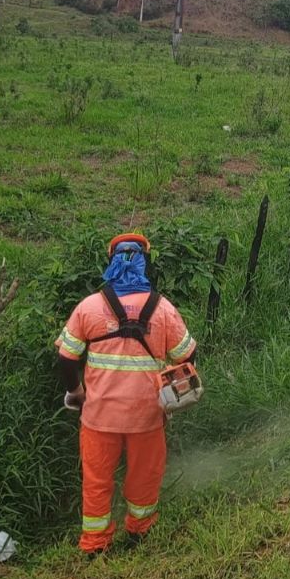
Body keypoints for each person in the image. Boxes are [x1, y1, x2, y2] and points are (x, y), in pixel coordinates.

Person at [54, 233, 197, 555]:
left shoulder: (89, 307)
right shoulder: (162, 309)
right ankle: (140, 531)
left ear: (111, 262)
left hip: (98, 415)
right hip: (147, 415)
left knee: (97, 478)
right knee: (144, 475)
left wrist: (76, 392)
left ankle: (95, 543)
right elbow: (187, 357)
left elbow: (66, 359)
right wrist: (172, 397)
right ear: (145, 264)